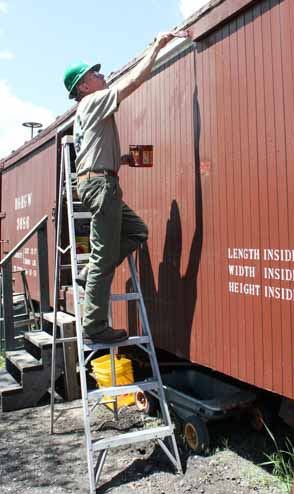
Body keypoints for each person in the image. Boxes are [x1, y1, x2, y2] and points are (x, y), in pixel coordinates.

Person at [63, 32, 174, 344]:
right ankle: (95, 327)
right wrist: (155, 48)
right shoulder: (94, 101)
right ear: (83, 87)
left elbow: (92, 153)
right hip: (101, 185)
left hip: (99, 180)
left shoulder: (86, 111)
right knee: (102, 257)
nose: (101, 75)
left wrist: (120, 159)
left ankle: (90, 276)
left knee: (137, 231)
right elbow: (134, 82)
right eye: (93, 74)